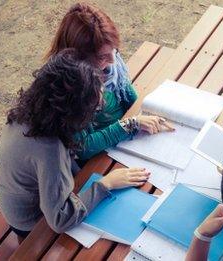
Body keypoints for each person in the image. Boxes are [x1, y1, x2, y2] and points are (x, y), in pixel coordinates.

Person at [0, 49, 150, 238]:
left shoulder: (30, 113)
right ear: (73, 111)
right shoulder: (50, 149)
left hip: (33, 196)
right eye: (93, 109)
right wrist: (105, 184)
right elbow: (60, 219)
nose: (96, 112)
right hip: (33, 221)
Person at [44, 2, 174, 162]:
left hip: (125, 141)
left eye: (114, 50)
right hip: (101, 156)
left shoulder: (109, 61)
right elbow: (82, 148)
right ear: (77, 59)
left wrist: (145, 114)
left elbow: (128, 98)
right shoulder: (66, 88)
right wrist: (129, 124)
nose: (113, 61)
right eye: (102, 57)